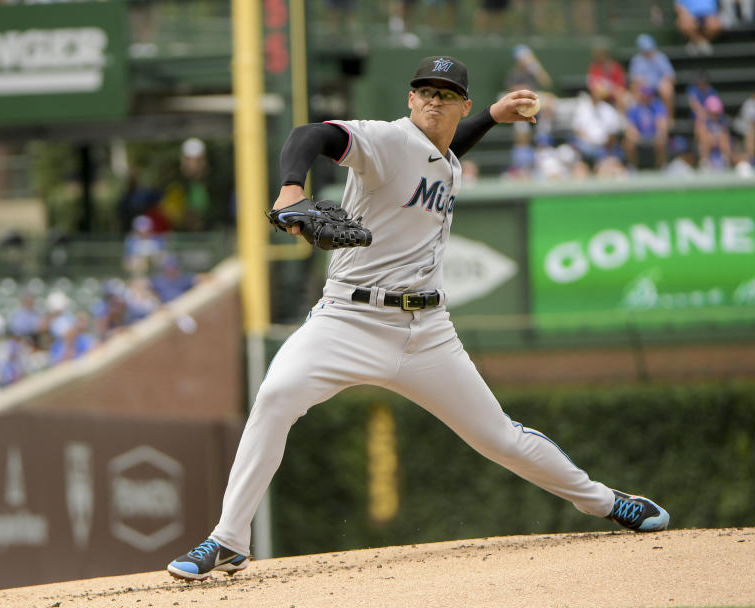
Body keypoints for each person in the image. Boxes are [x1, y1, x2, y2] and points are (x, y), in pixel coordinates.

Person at [166, 55, 670, 581]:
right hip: (347, 320)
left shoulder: (445, 156)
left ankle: (607, 502)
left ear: (462, 106)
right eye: (425, 91)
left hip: (427, 332)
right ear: (409, 99)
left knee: (500, 438)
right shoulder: (388, 140)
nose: (434, 100)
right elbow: (309, 134)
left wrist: (494, 116)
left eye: (447, 94)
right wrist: (292, 188)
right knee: (274, 398)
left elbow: (443, 150)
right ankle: (228, 540)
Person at [623, 85, 671, 169]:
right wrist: (635, 135)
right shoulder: (634, 108)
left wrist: (660, 132)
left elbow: (661, 122)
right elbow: (631, 126)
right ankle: (633, 167)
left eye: (649, 95)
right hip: (639, 137)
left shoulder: (657, 106)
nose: (647, 97)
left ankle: (660, 167)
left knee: (662, 140)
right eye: (645, 95)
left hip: (654, 136)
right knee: (628, 143)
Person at [628, 34, 675, 117]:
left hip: (658, 85)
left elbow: (670, 75)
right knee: (635, 89)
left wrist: (664, 81)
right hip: (643, 86)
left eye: (649, 49)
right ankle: (639, 119)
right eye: (645, 50)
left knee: (667, 89)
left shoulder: (661, 57)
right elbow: (633, 78)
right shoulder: (636, 60)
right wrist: (640, 81)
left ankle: (668, 118)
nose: (648, 52)